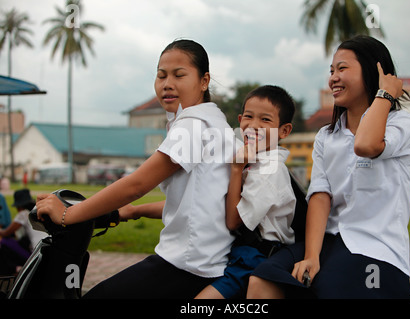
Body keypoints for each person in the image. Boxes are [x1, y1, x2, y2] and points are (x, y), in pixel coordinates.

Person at [35, 39, 236, 298]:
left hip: (188, 264)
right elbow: (200, 202)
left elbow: (136, 185)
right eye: (161, 75)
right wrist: (133, 212)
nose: (167, 84)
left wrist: (68, 215)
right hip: (208, 260)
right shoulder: (216, 123)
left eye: (179, 75)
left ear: (204, 81)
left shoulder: (193, 126)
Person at [247, 35, 410, 299]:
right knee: (261, 280)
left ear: (375, 72)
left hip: (375, 247)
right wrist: (311, 257)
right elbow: (320, 195)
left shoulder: (401, 124)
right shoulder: (327, 137)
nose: (333, 78)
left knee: (329, 289)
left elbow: (366, 145)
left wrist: (383, 94)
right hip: (328, 240)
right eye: (331, 71)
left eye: (342, 69)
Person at [195, 85, 296, 299]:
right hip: (238, 254)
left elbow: (233, 221)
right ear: (240, 120)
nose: (254, 126)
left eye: (266, 120)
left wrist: (236, 169)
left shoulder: (270, 170)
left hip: (257, 258)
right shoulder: (253, 160)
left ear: (284, 131)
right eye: (249, 117)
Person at [0, 189, 46, 275]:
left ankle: (15, 269)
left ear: (19, 206)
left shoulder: (23, 214)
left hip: (36, 253)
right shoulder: (38, 212)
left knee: (5, 242)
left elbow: (6, 233)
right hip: (46, 248)